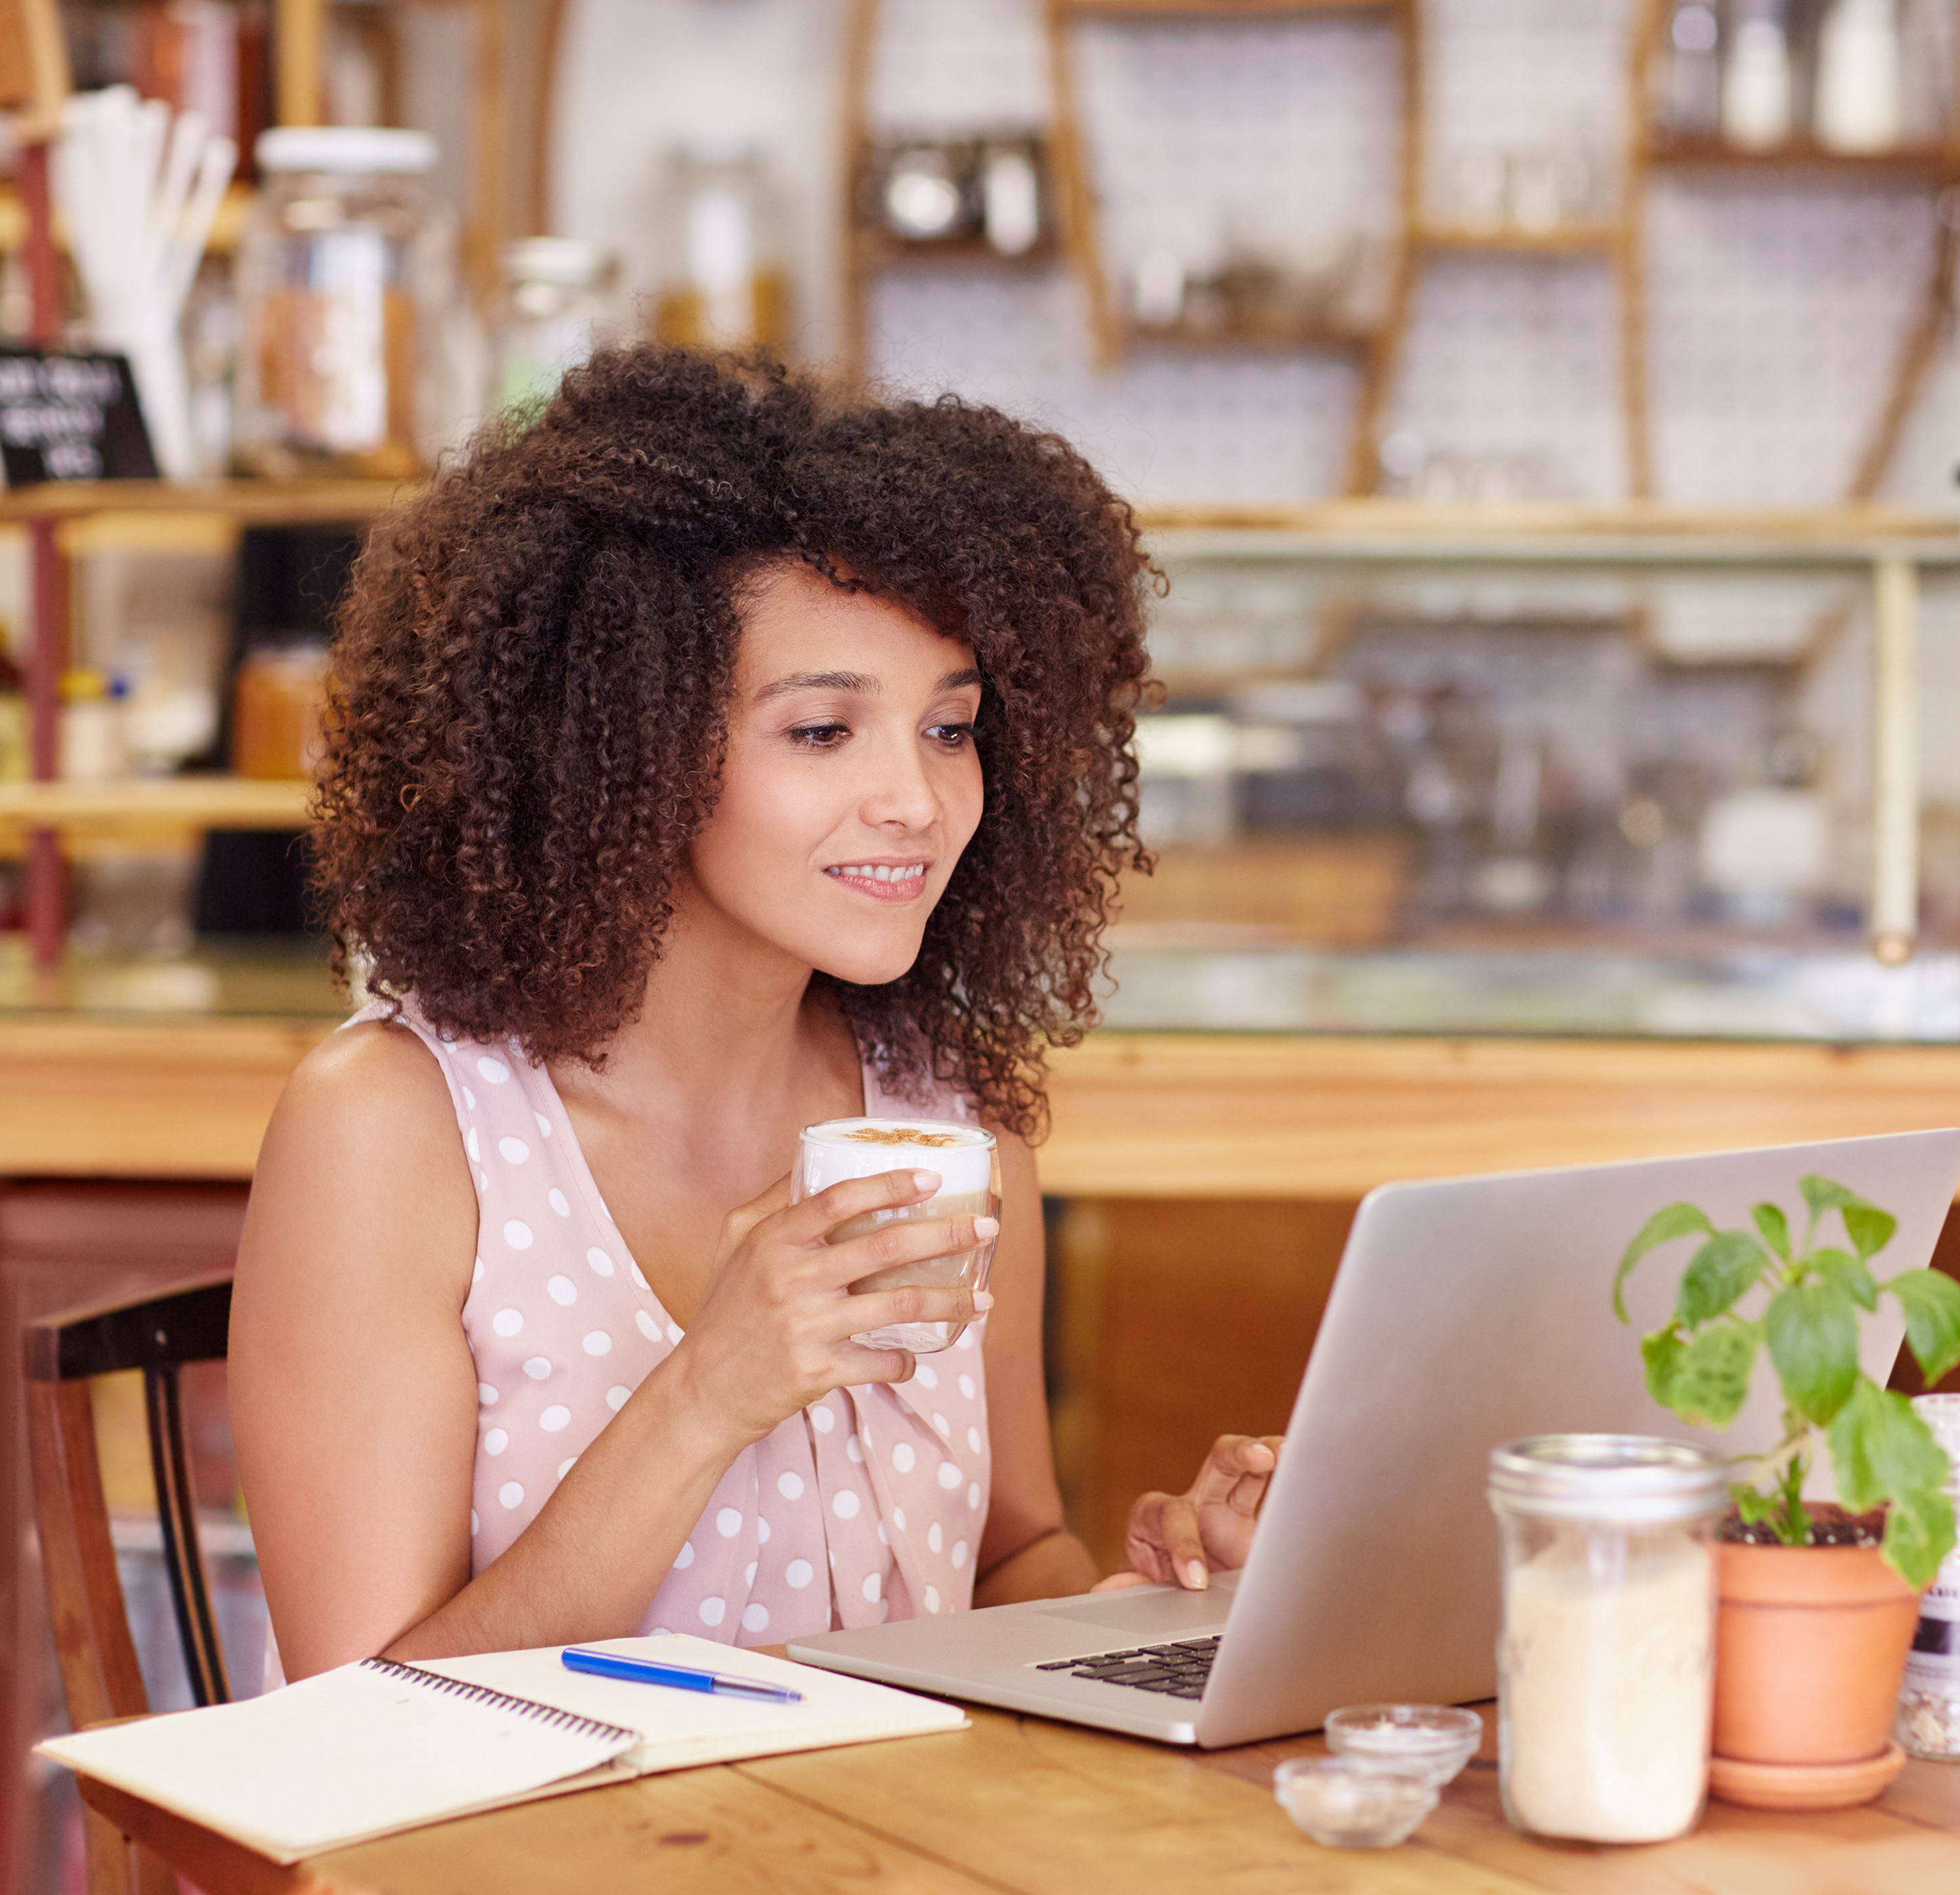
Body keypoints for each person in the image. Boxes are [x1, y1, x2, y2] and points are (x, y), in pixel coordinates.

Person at [229, 346, 1274, 1677]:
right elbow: (355, 1732)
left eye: (948, 728)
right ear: (625, 738)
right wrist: (710, 1390)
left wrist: (1169, 1598)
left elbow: (1009, 1557)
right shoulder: (395, 1132)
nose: (915, 799)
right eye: (822, 731)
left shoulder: (948, 1119)